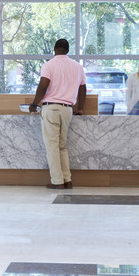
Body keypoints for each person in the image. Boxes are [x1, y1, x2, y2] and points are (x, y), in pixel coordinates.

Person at [27, 38, 87, 190]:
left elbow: (43, 86)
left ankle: (57, 181)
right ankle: (67, 180)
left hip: (51, 108)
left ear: (55, 48)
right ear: (67, 50)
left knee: (52, 146)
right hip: (68, 109)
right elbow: (83, 89)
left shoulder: (49, 65)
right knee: (62, 146)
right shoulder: (77, 67)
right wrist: (80, 108)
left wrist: (34, 104)